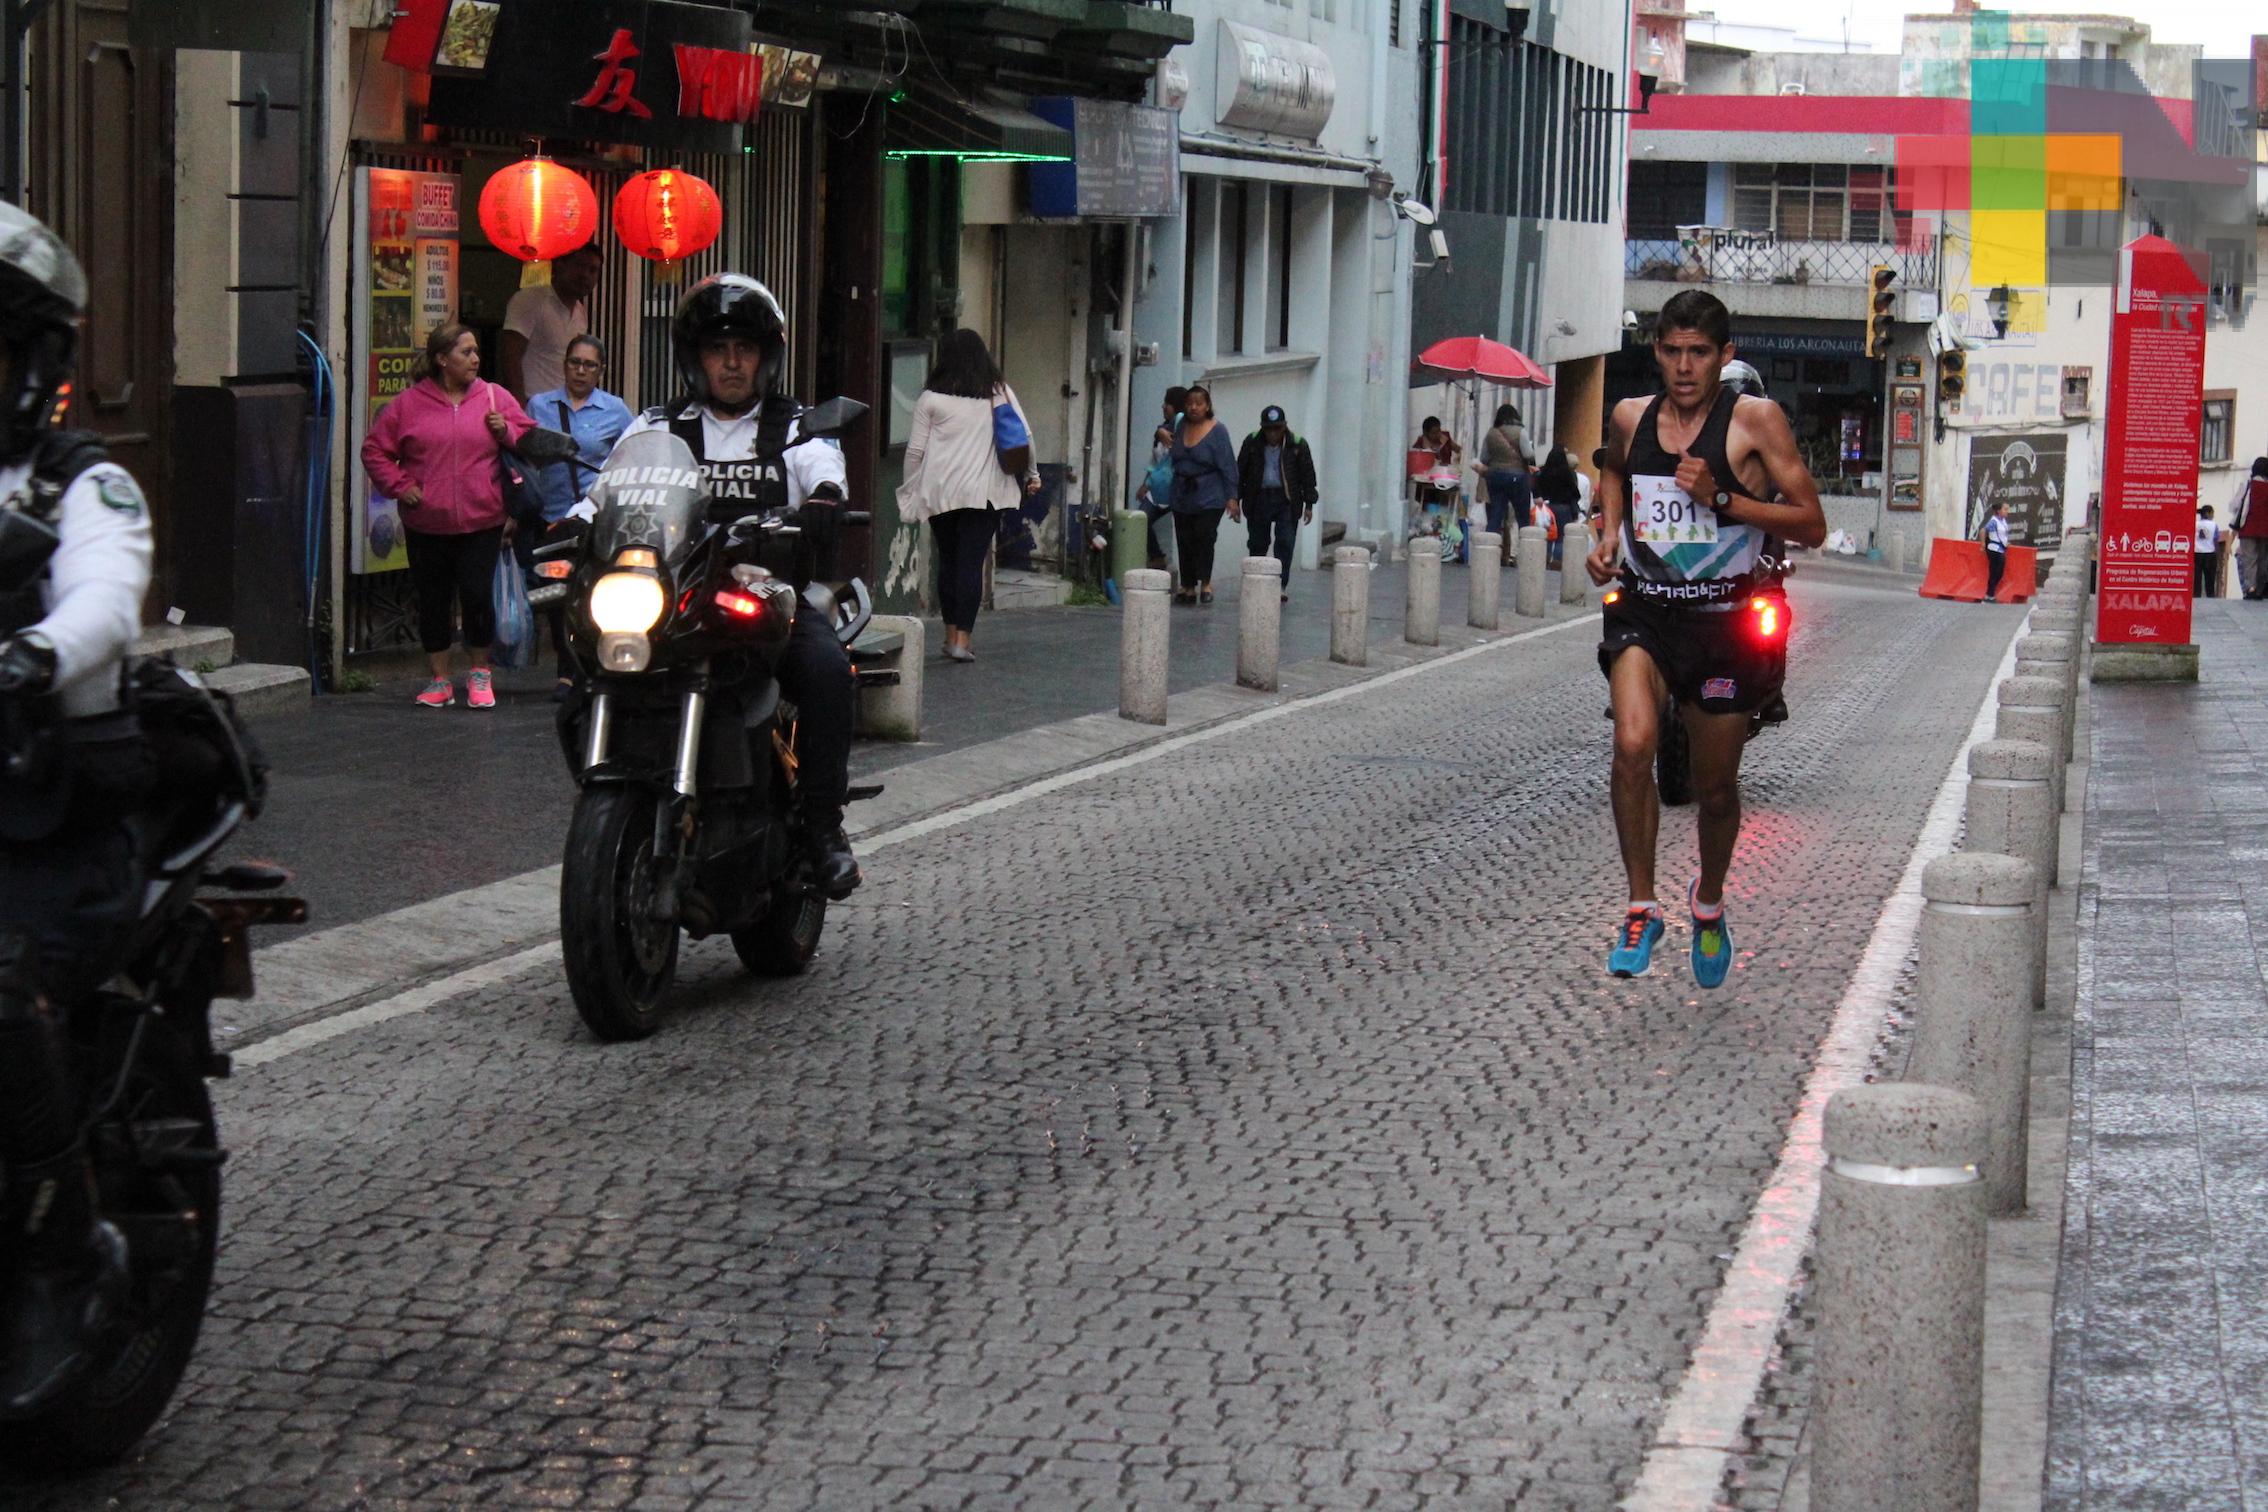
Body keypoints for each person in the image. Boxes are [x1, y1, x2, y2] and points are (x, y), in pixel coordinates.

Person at [0, 202, 153, 1409]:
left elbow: (107, 597)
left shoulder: (82, 485)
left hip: (51, 824)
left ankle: (63, 1256)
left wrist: (37, 654)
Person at [566, 274, 861, 899]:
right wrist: (570, 526)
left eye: (745, 348)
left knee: (828, 671)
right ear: (694, 359)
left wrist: (827, 501)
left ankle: (822, 828)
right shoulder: (657, 425)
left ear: (766, 357)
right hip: (677, 594)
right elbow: (607, 492)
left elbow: (825, 473)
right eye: (717, 349)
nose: (731, 362)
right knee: (581, 667)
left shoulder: (797, 427)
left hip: (764, 594)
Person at [1588, 287, 1826, 986]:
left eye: (1699, 353)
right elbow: (1612, 469)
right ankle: (1640, 907)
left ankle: (1710, 902)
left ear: (1723, 358)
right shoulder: (1632, 416)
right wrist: (1607, 535)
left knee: (1715, 789)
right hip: (1646, 609)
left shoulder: (1756, 421)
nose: (1684, 367)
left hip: (1722, 623)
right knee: (1633, 742)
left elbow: (1811, 522)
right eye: (1672, 351)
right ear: (1656, 351)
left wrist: (1721, 498)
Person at [360, 322, 535, 709]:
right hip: (427, 522)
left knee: (476, 595)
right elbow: (374, 451)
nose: (475, 359)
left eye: (476, 352)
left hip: (482, 519)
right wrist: (401, 486)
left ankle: (479, 673)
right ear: (442, 360)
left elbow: (528, 437)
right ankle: (439, 679)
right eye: (466, 352)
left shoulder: (494, 396)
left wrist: (505, 429)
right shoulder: (407, 405)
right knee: (433, 599)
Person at [896, 328, 1041, 663]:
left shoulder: (930, 398)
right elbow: (1025, 436)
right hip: (985, 493)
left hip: (941, 492)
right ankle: (963, 640)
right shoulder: (998, 392)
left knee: (948, 562)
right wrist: (1032, 475)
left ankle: (949, 637)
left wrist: (910, 491)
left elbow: (915, 452)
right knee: (970, 563)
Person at [522, 333, 633, 696]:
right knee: (557, 592)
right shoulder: (540, 405)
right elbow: (523, 453)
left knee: (592, 590)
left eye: (589, 365)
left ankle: (585, 664)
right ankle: (566, 670)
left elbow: (631, 453)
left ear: (600, 371)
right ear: (564, 365)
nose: (581, 371)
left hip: (594, 518)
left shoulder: (615, 410)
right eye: (575, 363)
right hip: (552, 515)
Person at [1235, 404, 1318, 602]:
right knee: (1257, 542)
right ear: (1263, 428)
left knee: (1285, 542)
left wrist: (1309, 504)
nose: (1273, 433)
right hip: (1259, 497)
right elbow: (1240, 472)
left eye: (1277, 428)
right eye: (1269, 429)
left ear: (1284, 427)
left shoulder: (1297, 444)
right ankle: (1257, 580)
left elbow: (1308, 476)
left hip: (1287, 499)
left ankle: (1280, 584)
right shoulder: (1252, 442)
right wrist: (1234, 500)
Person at [500, 244, 600, 404]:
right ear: (560, 265)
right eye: (579, 266)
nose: (585, 275)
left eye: (593, 270)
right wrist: (519, 408)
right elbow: (510, 357)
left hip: (564, 408)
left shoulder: (580, 313)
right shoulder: (530, 300)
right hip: (531, 404)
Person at [1168, 384, 1239, 605]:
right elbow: (1164, 431)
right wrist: (1160, 432)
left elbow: (1228, 464)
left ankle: (1206, 582)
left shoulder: (1218, 431)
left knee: (1205, 536)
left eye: (1198, 403)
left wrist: (1232, 497)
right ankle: (1187, 585)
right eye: (1189, 404)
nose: (1193, 408)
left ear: (1207, 406)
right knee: (1184, 537)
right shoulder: (1180, 425)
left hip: (1210, 493)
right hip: (1182, 492)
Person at [1135, 385, 1189, 577]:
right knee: (1141, 519)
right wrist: (1146, 483)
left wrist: (1161, 430)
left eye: (1167, 403)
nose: (1163, 407)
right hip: (1158, 487)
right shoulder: (1162, 431)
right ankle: (1157, 555)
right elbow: (1155, 461)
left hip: (1176, 488)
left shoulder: (1181, 424)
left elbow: (1180, 425)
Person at [1473, 404, 1531, 546]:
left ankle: (1488, 548)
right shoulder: (1521, 432)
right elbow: (1528, 454)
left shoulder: (1491, 433)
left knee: (1496, 514)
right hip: (1518, 477)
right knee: (1522, 517)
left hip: (1495, 477)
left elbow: (1484, 458)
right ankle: (1526, 549)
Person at [1533, 446, 1583, 569]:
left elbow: (1536, 488)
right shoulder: (1568, 474)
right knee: (1561, 537)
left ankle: (1545, 559)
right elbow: (1575, 493)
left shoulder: (1542, 471)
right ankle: (1557, 561)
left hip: (1547, 507)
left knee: (1548, 535)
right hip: (1563, 508)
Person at [2231, 456, 2268, 599]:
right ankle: (2260, 588)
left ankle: (2251, 588)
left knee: (2249, 559)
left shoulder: (2248, 485)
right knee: (2263, 559)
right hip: (2265, 530)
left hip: (2247, 528)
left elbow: (2237, 506)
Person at [1983, 500, 2010, 601]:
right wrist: (1983, 544)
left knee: (1999, 572)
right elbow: (1983, 530)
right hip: (1994, 549)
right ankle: (1989, 595)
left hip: (2000, 549)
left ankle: (1990, 593)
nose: (2007, 511)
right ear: (1999, 511)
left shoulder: (2002, 521)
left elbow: (2003, 535)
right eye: (2005, 509)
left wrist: (2005, 542)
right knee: (1995, 572)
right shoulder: (1994, 521)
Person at [2194, 504, 2221, 598]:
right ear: (2208, 513)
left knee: (2197, 578)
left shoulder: (2195, 524)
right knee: (2210, 578)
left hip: (2197, 553)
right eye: (2212, 513)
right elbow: (2216, 540)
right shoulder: (2214, 525)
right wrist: (2217, 553)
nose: (2213, 515)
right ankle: (2210, 596)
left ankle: (2196, 596)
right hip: (2210, 554)